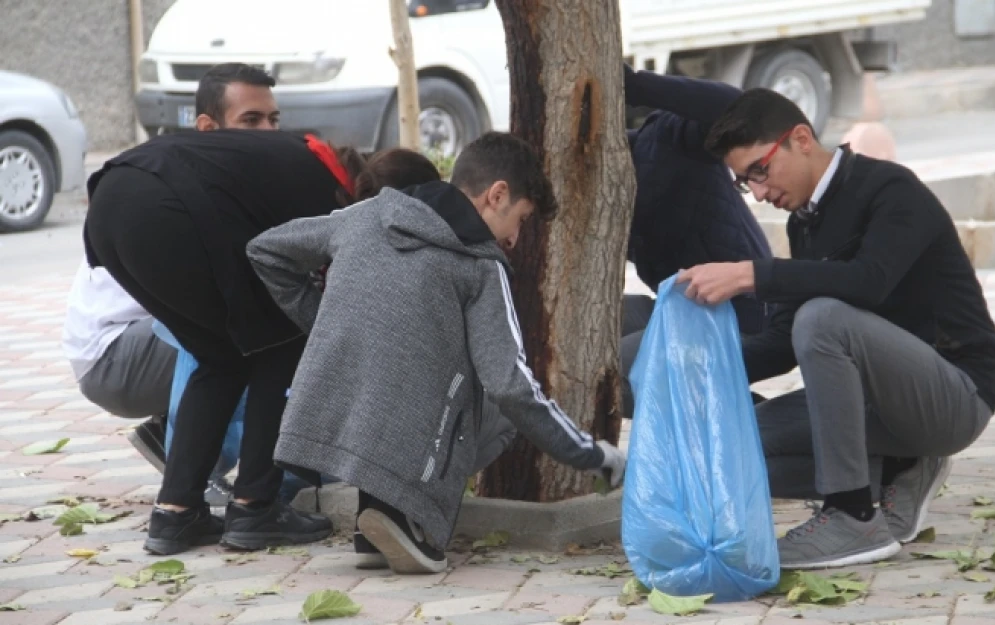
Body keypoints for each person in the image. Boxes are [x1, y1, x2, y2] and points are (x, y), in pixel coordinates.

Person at [247, 132, 627, 575]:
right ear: (497, 195)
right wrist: (594, 455)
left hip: (331, 419)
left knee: (421, 374)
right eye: (520, 220)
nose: (515, 238)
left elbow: (266, 250)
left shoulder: (368, 214)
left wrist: (325, 325)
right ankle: (410, 518)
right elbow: (510, 384)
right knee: (504, 407)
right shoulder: (481, 263)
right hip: (408, 436)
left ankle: (373, 522)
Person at [677, 88, 995, 569]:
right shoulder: (803, 224)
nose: (761, 194)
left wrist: (750, 273)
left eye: (761, 171)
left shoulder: (893, 191)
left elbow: (869, 282)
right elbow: (781, 344)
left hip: (956, 395)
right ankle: (899, 471)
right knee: (739, 445)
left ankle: (851, 516)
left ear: (802, 138)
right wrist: (696, 365)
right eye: (746, 184)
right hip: (878, 409)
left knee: (824, 318)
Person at [82, 126, 401, 556]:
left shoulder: (298, 156)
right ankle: (255, 507)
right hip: (162, 209)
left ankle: (175, 513)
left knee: (220, 356)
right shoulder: (327, 193)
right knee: (282, 340)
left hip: (108, 208)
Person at [62, 63, 282, 503]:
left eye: (274, 120)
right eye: (251, 121)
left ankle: (177, 444)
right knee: (240, 331)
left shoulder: (227, 171)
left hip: (146, 344)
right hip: (114, 356)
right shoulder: (186, 178)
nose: (268, 133)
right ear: (207, 126)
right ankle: (191, 477)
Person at [620, 65, 773, 416]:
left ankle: (755, 426)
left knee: (617, 373)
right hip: (683, 309)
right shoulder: (586, 198)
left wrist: (637, 85)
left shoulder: (669, 138)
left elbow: (735, 107)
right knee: (579, 344)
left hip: (743, 315)